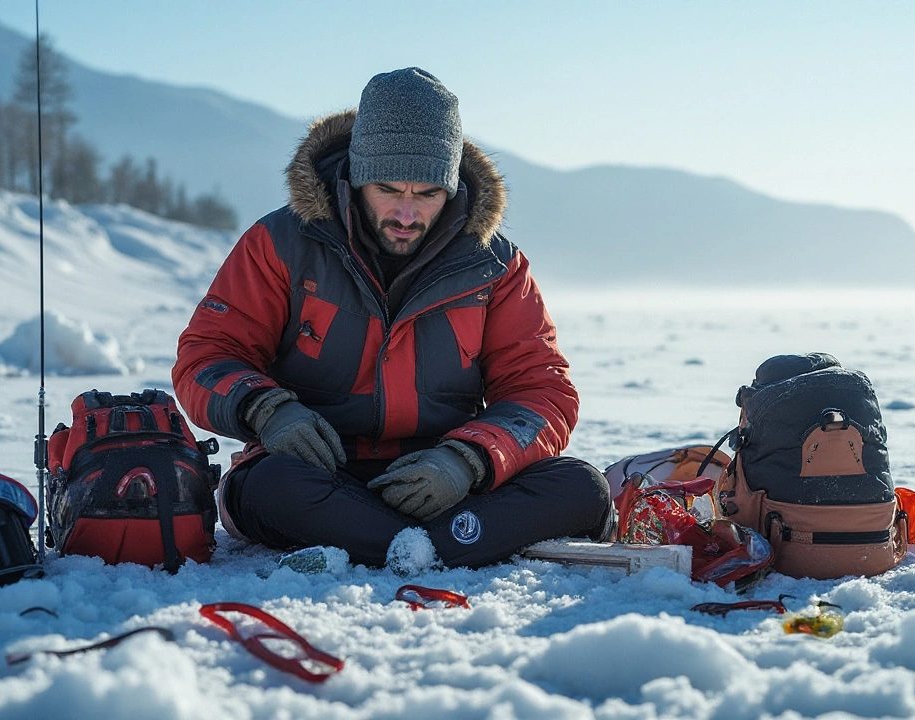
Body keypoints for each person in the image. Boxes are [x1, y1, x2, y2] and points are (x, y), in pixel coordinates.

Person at [172, 67, 613, 569]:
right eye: (388, 188)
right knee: (270, 489)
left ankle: (399, 544)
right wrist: (267, 411)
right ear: (356, 179)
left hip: (447, 484)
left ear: (451, 189)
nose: (406, 214)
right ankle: (453, 544)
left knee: (582, 488)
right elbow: (207, 358)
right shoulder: (279, 245)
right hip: (317, 477)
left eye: (427, 193)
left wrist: (467, 461)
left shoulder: (496, 266)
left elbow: (542, 391)